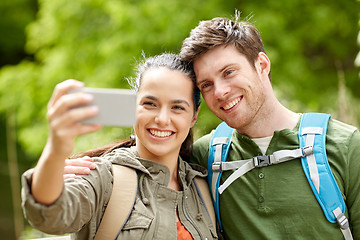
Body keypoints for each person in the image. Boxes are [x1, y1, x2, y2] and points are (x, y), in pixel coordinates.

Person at [63, 15, 360, 239]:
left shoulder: (344, 146)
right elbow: (151, 158)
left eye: (229, 72)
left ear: (262, 65)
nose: (220, 91)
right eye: (207, 84)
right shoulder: (207, 157)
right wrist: (59, 172)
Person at [21, 53, 218, 240]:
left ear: (194, 115)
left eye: (177, 107)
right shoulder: (103, 176)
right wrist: (56, 150)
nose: (162, 119)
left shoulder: (204, 188)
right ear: (133, 105)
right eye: (150, 104)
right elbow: (50, 215)